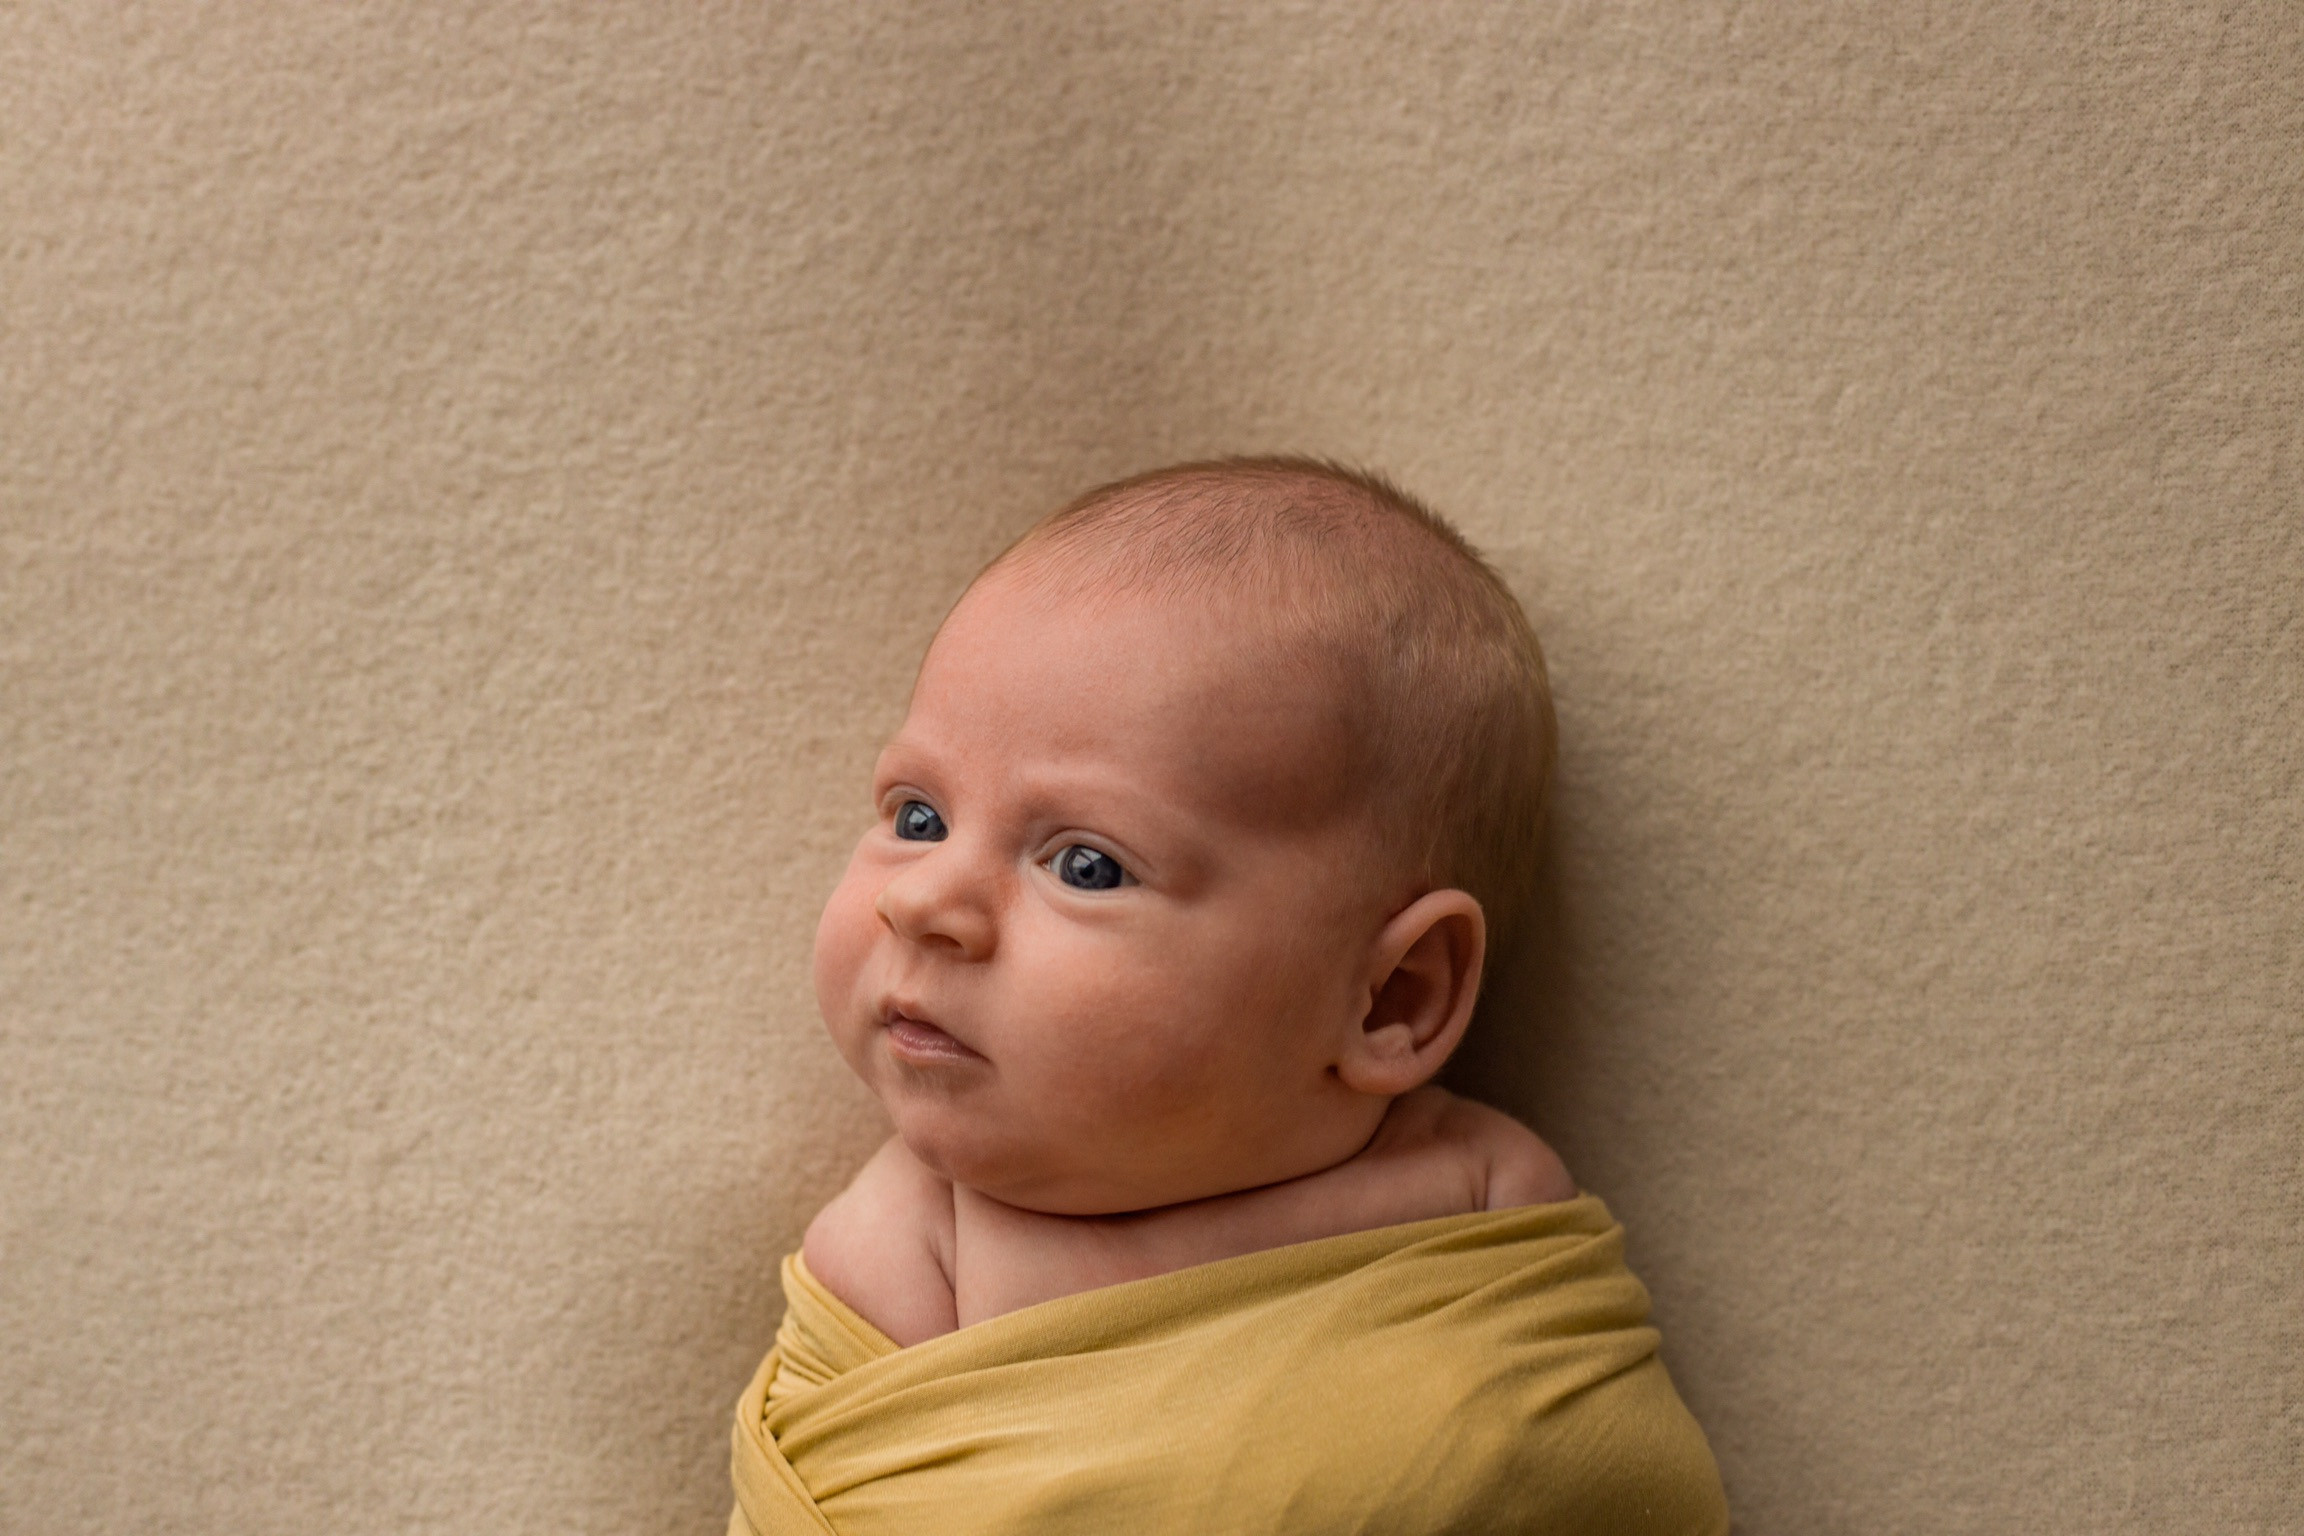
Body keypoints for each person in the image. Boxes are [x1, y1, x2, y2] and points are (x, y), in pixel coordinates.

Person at [729, 458, 1729, 1535]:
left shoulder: (1486, 1221)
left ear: (1394, 996)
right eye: (917, 817)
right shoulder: (906, 1250)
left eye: (1087, 866)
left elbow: (1583, 1472)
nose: (926, 900)